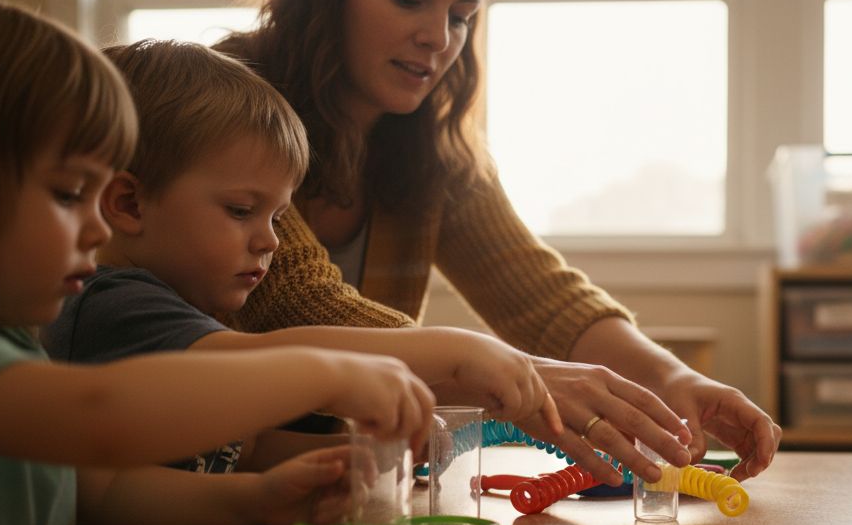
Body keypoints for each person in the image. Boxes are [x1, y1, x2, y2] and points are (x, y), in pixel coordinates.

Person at [0, 0, 436, 525]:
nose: (96, 227)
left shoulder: (7, 341)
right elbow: (99, 420)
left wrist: (257, 499)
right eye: (69, 195)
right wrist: (324, 372)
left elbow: (102, 489)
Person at [216, 0, 782, 484]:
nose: (439, 38)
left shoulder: (429, 144)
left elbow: (541, 296)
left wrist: (671, 378)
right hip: (209, 481)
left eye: (462, 17)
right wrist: (502, 373)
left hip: (339, 484)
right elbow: (293, 302)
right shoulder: (224, 103)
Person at [45, 39, 561, 475]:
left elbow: (246, 451)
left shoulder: (179, 312)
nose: (271, 240)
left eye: (276, 217)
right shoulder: (110, 305)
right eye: (242, 210)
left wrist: (363, 457)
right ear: (129, 203)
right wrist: (452, 350)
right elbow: (257, 361)